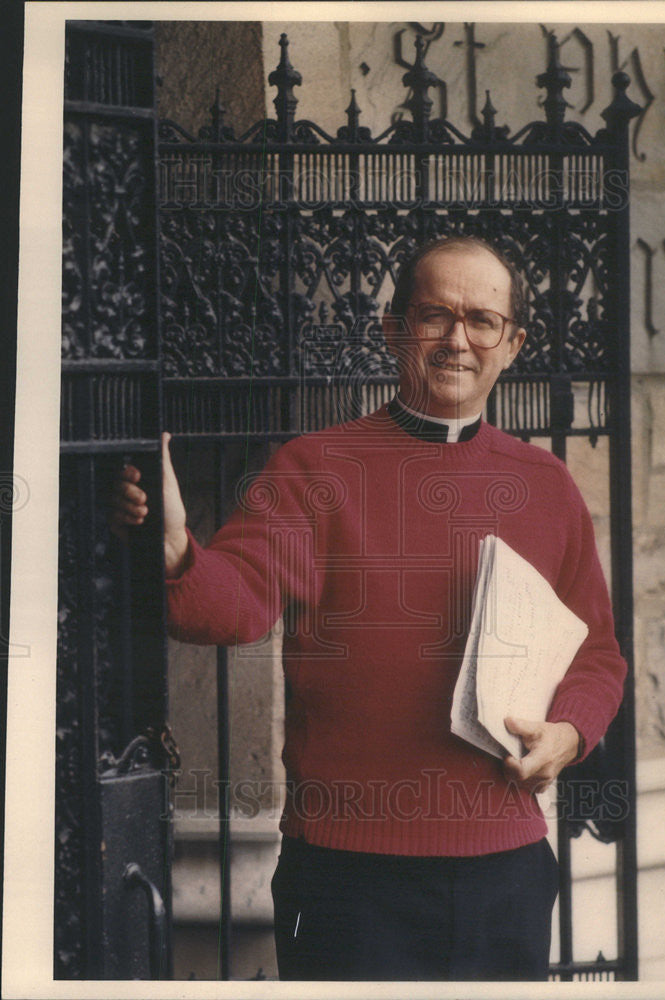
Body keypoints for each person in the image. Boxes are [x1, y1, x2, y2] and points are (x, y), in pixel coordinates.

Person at [111, 236, 626, 981]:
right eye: (433, 316)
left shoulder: (546, 485)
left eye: (481, 320)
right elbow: (236, 604)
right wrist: (175, 553)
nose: (457, 339)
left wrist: (571, 732)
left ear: (511, 344)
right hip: (350, 878)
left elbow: (597, 654)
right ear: (391, 329)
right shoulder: (313, 467)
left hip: (506, 869)